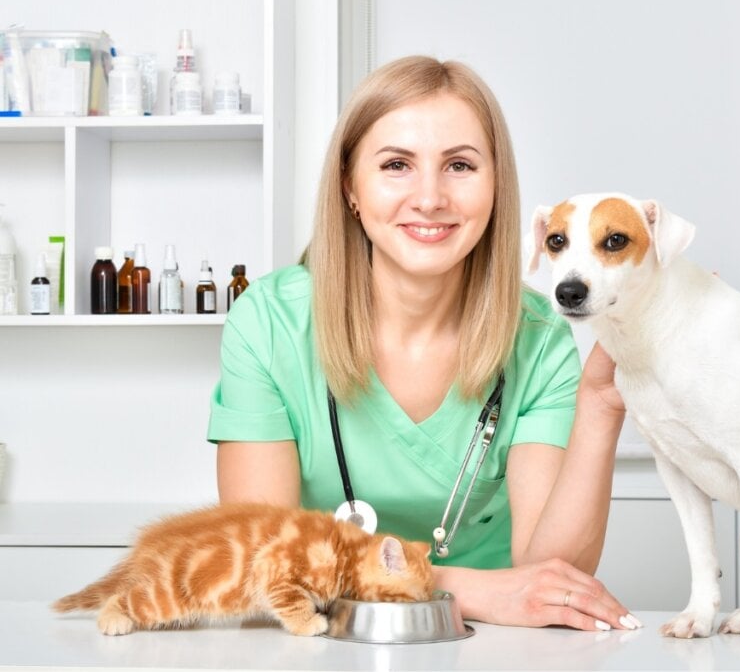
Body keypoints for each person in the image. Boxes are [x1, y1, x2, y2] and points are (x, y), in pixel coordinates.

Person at [208, 55, 638, 631]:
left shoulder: (538, 339)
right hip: (322, 638)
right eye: (396, 165)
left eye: (460, 165)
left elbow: (552, 581)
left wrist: (603, 409)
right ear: (350, 187)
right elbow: (263, 563)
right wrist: (458, 586)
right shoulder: (268, 323)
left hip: (495, 645)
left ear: (495, 188)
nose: (430, 197)